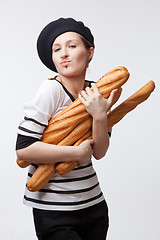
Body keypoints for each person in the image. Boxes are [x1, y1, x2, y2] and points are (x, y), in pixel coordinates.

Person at [16, 17, 116, 240]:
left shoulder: (96, 92)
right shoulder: (51, 90)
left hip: (94, 205)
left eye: (72, 46)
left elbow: (99, 152)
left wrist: (99, 116)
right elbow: (23, 150)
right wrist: (76, 153)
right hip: (54, 211)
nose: (63, 54)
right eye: (56, 49)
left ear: (89, 52)